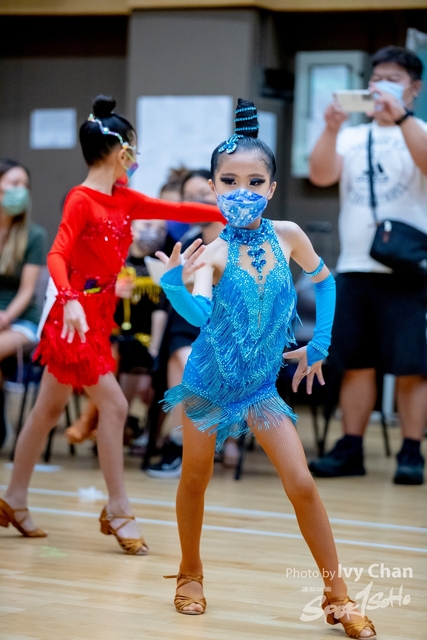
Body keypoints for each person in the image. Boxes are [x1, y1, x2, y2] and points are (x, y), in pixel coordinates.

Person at [157, 99, 376, 639]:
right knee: (196, 478)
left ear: (272, 188)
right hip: (208, 383)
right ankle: (189, 573)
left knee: (301, 482)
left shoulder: (289, 234)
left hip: (258, 386)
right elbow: (199, 315)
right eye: (229, 181)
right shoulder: (212, 252)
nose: (243, 191)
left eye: (255, 182)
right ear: (213, 188)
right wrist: (173, 286)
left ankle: (338, 597)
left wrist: (319, 344)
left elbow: (326, 281)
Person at [0, 95, 224, 554]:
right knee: (116, 406)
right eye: (134, 148)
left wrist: (230, 212)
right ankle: (119, 509)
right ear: (121, 151)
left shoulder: (124, 198)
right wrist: (70, 300)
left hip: (98, 315)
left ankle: (14, 499)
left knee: (46, 411)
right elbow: (57, 255)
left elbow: (180, 211)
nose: (137, 156)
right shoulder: (81, 199)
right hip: (72, 319)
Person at [309, 46, 427, 485]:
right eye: (376, 78)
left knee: (412, 365)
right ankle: (350, 448)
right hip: (354, 267)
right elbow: (321, 174)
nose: (380, 85)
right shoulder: (353, 135)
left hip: (407, 269)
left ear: (413, 88)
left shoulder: (419, 130)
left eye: (393, 78)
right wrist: (330, 127)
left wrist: (401, 118)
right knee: (355, 362)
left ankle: (411, 452)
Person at [146, 169, 229, 478]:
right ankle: (183, 443)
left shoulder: (236, 240)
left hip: (227, 325)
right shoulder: (187, 242)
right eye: (190, 197)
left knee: (190, 360)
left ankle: (189, 442)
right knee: (182, 357)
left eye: (203, 195)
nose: (198, 202)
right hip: (189, 321)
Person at [64, 218, 169, 447]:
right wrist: (113, 292)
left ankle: (88, 420)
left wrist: (156, 346)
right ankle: (101, 421)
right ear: (130, 229)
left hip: (144, 341)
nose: (154, 233)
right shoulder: (113, 261)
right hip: (109, 333)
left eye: (161, 229)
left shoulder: (163, 266)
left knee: (114, 350)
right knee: (103, 349)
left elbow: (161, 310)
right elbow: (90, 299)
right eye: (147, 226)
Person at [0, 159, 48, 448]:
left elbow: (27, 292)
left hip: (22, 320)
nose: (21, 190)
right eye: (14, 183)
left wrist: (4, 317)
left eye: (25, 185)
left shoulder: (34, 235)